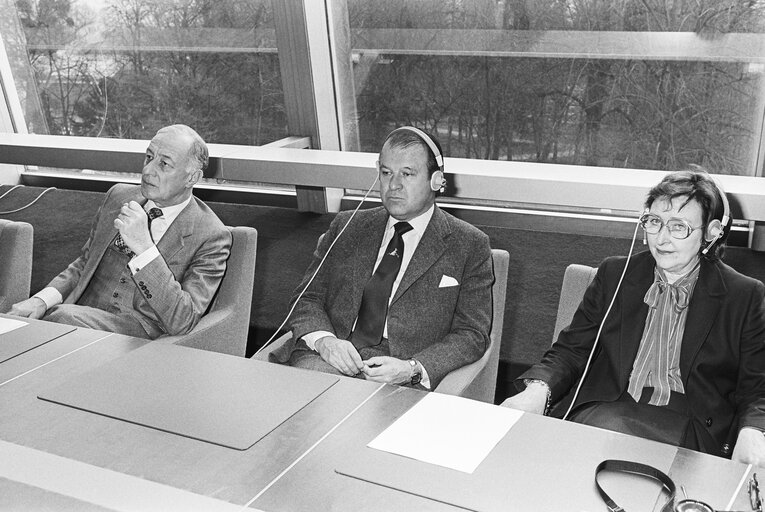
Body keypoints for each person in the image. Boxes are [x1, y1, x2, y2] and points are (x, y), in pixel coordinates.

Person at [502, 168, 765, 465]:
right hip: (608, 408)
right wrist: (538, 390)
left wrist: (753, 430)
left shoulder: (744, 294)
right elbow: (571, 351)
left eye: (679, 227)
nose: (662, 238)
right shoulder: (615, 274)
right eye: (655, 222)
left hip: (688, 427)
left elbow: (756, 388)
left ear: (712, 232)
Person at [270, 126, 494, 389]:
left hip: (401, 373)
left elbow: (472, 334)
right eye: (386, 173)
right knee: (317, 408)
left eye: (407, 174)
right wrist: (325, 341)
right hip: (328, 360)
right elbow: (306, 297)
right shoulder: (348, 226)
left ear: (436, 181)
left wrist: (413, 368)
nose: (394, 185)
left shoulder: (469, 245)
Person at [10, 124, 232, 339]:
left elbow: (183, 320)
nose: (147, 170)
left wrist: (145, 249)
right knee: (18, 323)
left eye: (164, 164)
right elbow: (83, 264)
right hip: (75, 316)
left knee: (59, 321)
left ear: (192, 178)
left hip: (136, 337)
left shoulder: (211, 236)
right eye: (149, 157)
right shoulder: (118, 196)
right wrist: (40, 301)